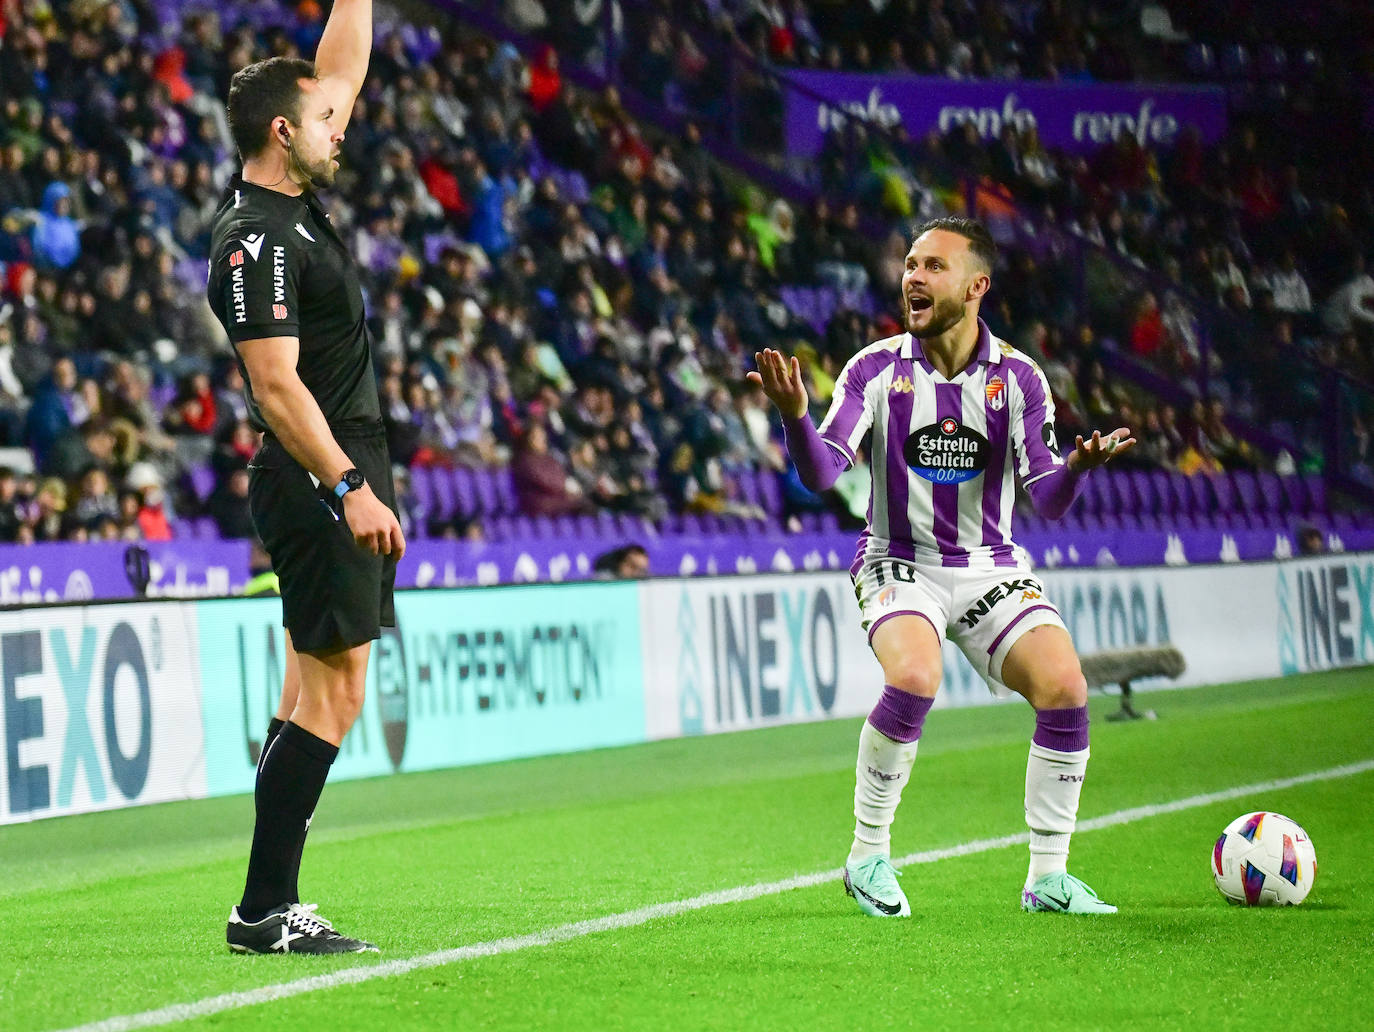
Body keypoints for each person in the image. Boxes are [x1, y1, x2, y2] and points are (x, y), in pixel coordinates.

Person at [748, 217, 1135, 919]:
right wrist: (795, 418)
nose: (913, 277)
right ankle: (867, 856)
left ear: (976, 285)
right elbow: (821, 472)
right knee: (915, 675)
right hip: (898, 561)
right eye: (911, 265)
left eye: (933, 266)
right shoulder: (874, 368)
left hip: (990, 567)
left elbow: (1046, 498)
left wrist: (1076, 467)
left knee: (1065, 687)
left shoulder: (1019, 377)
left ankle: (1048, 878)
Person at [205, 0, 405, 955]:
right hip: (315, 475)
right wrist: (346, 486)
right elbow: (276, 386)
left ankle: (268, 903)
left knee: (311, 694)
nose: (344, 125)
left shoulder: (294, 208)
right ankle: (263, 908)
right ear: (283, 132)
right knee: (332, 694)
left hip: (340, 468)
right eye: (326, 121)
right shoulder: (256, 238)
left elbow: (343, 70)